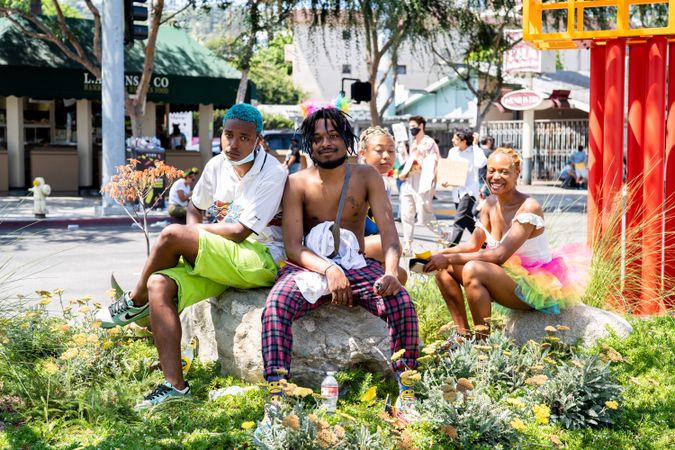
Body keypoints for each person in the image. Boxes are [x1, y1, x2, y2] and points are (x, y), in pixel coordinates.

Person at [96, 104, 288, 409]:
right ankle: (175, 386)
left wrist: (190, 239)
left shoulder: (273, 173)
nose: (233, 144)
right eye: (228, 135)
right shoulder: (216, 165)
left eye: (243, 138)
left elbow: (240, 232)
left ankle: (133, 302)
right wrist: (194, 238)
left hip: (260, 258)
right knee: (159, 284)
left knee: (172, 235)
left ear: (258, 140)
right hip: (222, 257)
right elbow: (195, 207)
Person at [259, 106, 420, 427]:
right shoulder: (297, 182)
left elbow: (390, 234)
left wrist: (390, 272)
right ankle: (277, 395)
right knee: (276, 305)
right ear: (309, 144)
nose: (326, 143)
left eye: (333, 135)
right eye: (317, 138)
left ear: (346, 139)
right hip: (310, 267)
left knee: (400, 301)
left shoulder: (367, 176)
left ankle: (409, 389)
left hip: (358, 267)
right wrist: (329, 271)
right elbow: (293, 246)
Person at [426, 148, 587, 346]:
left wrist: (449, 258)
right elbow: (471, 245)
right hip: (504, 276)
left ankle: (482, 345)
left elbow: (499, 255)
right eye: (492, 170)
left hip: (533, 287)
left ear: (517, 174)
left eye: (504, 172)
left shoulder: (529, 207)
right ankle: (462, 336)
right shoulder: (490, 204)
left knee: (473, 268)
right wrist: (438, 254)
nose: (496, 177)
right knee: (443, 270)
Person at [358, 126, 408, 285]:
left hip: (369, 244)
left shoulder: (384, 184)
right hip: (347, 245)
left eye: (391, 151)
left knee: (400, 274)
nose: (386, 156)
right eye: (379, 151)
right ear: (362, 153)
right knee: (393, 247)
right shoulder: (356, 180)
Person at [398, 115, 440, 255]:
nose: (412, 129)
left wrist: (432, 183)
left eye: (414, 126)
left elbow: (434, 163)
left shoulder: (429, 143)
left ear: (421, 126)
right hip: (410, 181)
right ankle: (407, 246)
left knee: (424, 216)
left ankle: (443, 236)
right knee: (406, 214)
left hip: (423, 182)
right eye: (410, 127)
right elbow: (410, 161)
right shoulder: (413, 142)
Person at [444, 129, 487, 246]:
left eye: (456, 139)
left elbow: (481, 163)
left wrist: (475, 144)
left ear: (464, 141)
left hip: (469, 191)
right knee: (467, 219)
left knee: (459, 219)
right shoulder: (453, 151)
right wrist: (445, 180)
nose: (453, 140)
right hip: (457, 190)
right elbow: (449, 167)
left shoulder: (474, 151)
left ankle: (451, 247)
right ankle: (483, 243)